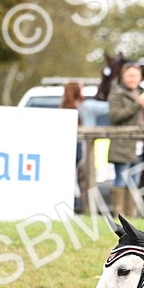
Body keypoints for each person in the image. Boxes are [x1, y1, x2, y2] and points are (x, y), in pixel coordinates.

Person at [107, 63, 144, 218]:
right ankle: (119, 216)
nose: (133, 79)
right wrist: (138, 105)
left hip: (140, 144)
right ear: (123, 77)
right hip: (123, 144)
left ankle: (131, 217)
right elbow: (115, 116)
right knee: (121, 179)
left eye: (136, 75)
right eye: (130, 75)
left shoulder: (142, 92)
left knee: (135, 180)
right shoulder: (116, 93)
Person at [60, 82, 87, 213]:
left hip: (66, 147)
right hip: (78, 146)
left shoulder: (63, 108)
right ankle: (78, 204)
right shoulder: (81, 107)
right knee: (79, 178)